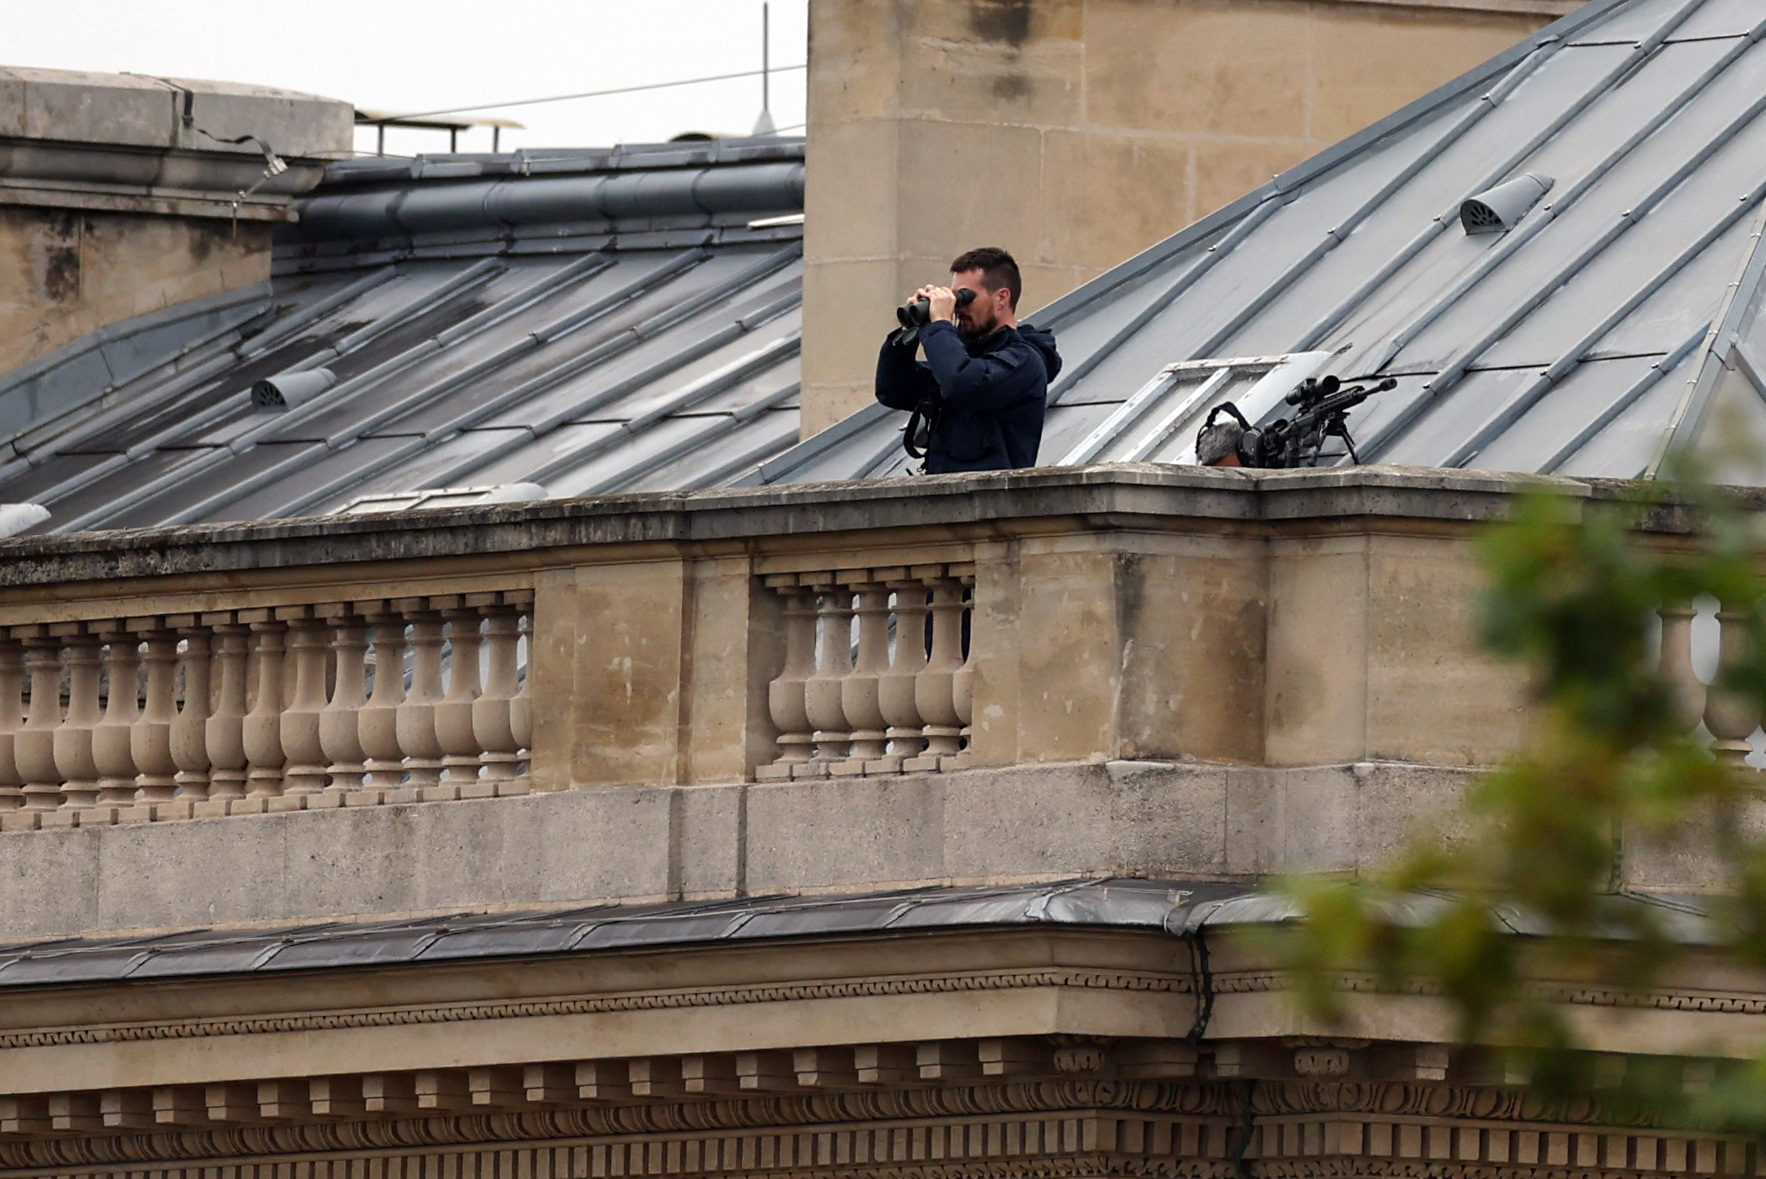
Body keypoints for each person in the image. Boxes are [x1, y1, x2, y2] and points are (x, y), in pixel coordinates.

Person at [875, 247, 1061, 474]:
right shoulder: (962, 359)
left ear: (1002, 298)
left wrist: (939, 327)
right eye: (954, 298)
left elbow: (963, 383)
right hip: (944, 499)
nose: (958, 308)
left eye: (965, 297)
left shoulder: (1025, 361)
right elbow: (893, 389)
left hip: (993, 503)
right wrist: (913, 328)